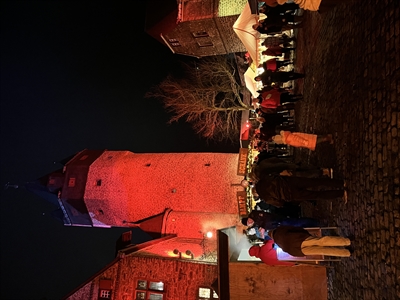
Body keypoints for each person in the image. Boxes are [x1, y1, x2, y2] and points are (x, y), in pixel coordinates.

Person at [255, 176, 347, 207]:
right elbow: (275, 176)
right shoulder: (264, 180)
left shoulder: (265, 197)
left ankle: (341, 193)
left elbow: (278, 203)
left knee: (316, 195)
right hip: (289, 182)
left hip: (290, 194)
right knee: (315, 182)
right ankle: (340, 183)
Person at [268, 225, 351, 257]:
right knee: (321, 241)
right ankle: (346, 241)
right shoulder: (280, 230)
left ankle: (346, 253)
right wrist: (305, 233)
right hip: (299, 239)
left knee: (324, 251)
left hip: (298, 251)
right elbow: (295, 228)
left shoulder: (278, 243)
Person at [241, 210, 320, 232]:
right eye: (249, 224)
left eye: (248, 221)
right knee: (297, 226)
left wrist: (263, 227)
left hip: (278, 221)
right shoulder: (256, 224)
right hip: (278, 225)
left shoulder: (255, 215)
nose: (250, 222)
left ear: (248, 218)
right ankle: (314, 225)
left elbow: (267, 218)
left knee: (297, 223)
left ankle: (316, 222)